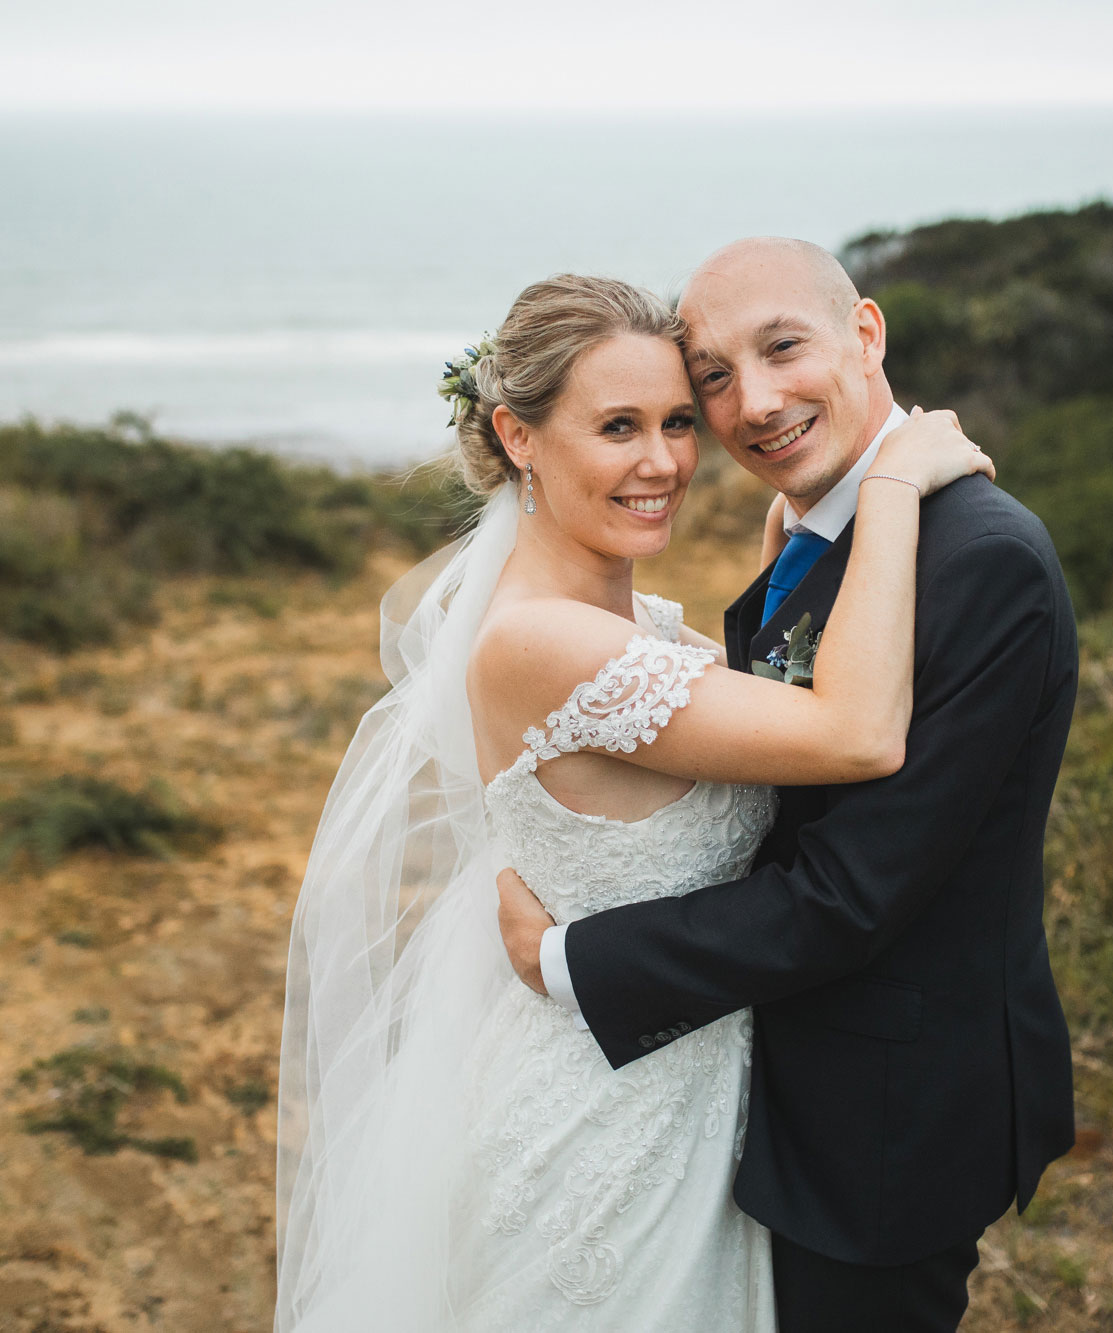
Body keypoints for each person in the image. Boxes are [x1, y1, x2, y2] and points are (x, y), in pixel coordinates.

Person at [274, 271, 991, 1331]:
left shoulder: (634, 627)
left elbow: (759, 711)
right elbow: (853, 733)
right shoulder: (544, 641)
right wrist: (885, 487)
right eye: (616, 426)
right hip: (604, 1132)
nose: (661, 463)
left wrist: (796, 538)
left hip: (690, 1102)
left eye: (673, 422)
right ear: (517, 437)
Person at [494, 238, 1080, 1333]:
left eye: (781, 349)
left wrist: (572, 958)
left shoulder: (977, 557)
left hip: (884, 1122)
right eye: (711, 377)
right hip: (758, 1096)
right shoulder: (821, 535)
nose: (750, 403)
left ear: (864, 335)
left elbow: (849, 891)